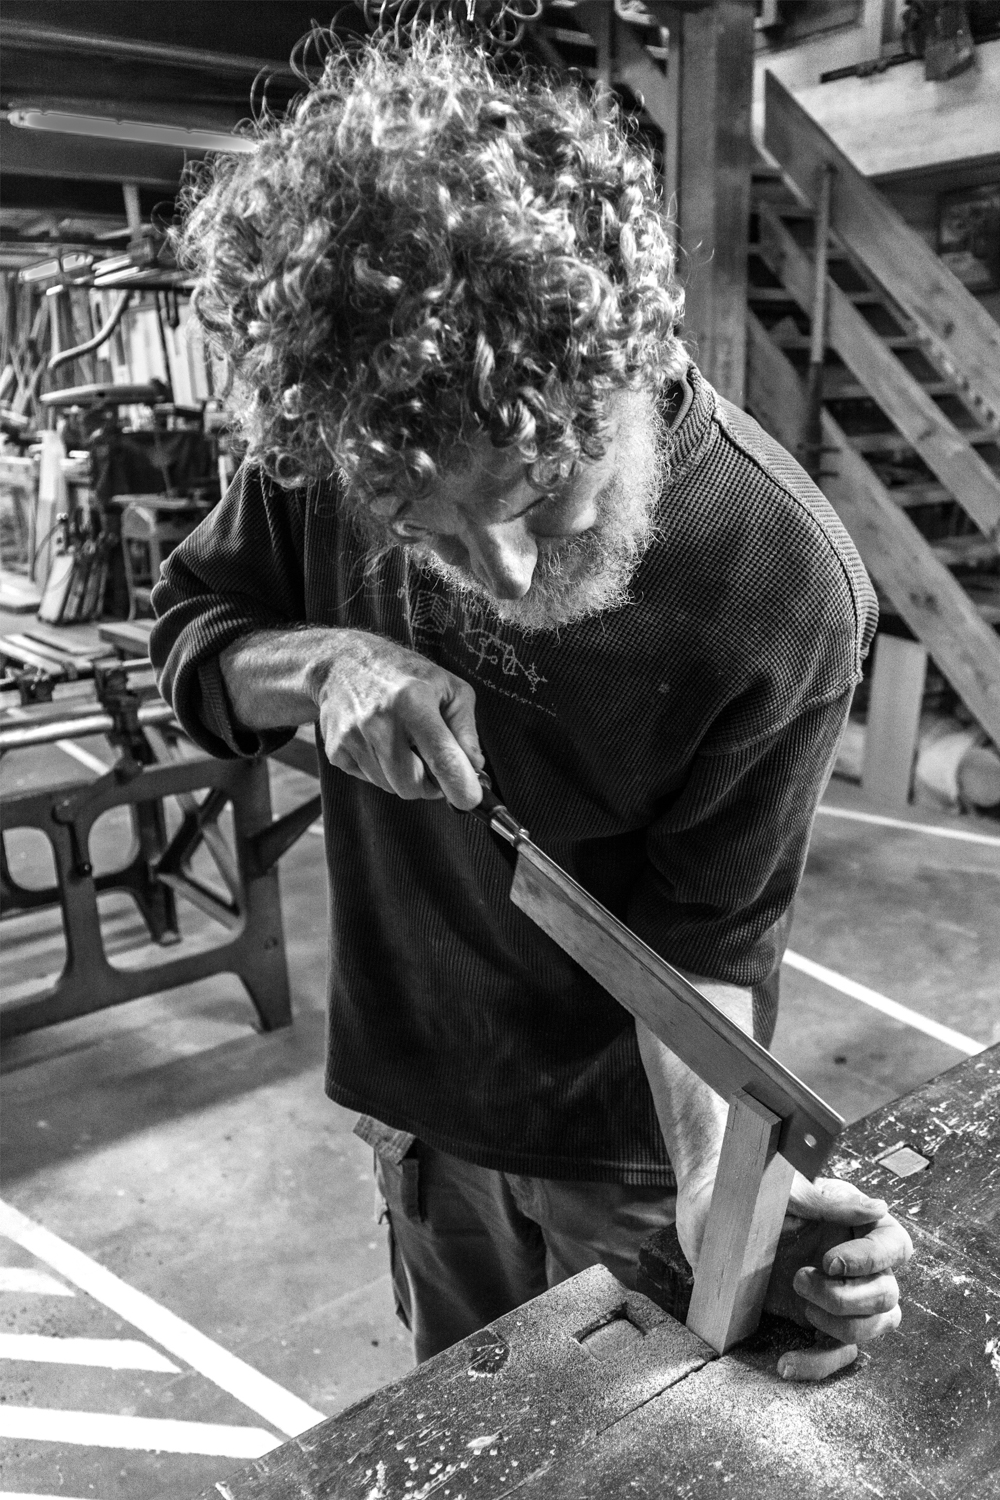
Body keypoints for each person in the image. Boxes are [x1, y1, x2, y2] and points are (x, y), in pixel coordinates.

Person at [151, 27, 912, 1381]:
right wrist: (320, 667)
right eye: (425, 529)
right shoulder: (352, 433)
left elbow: (704, 937)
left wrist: (718, 1187)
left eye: (540, 493)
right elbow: (194, 636)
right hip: (426, 1107)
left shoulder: (781, 586)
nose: (499, 576)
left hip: (632, 1148)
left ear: (632, 357)